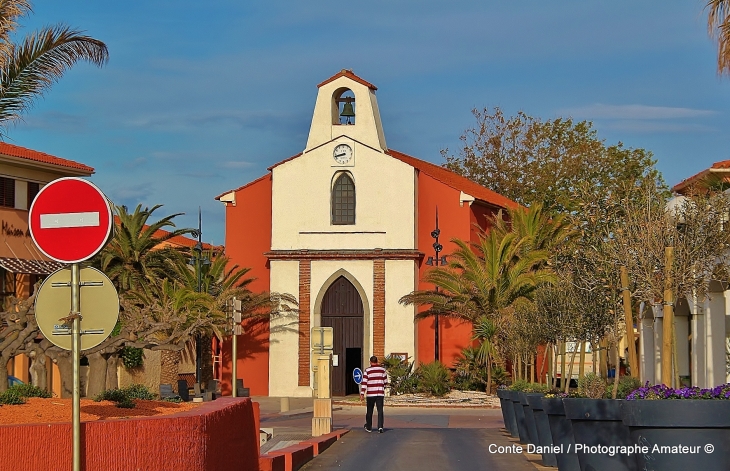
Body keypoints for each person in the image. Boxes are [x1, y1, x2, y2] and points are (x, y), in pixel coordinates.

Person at [360, 355, 388, 433]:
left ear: (370, 362)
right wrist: (383, 388)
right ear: (377, 361)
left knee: (369, 411)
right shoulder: (382, 370)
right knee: (380, 410)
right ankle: (380, 427)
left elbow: (364, 382)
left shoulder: (367, 370)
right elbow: (385, 382)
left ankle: (369, 427)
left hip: (371, 394)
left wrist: (362, 393)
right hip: (380, 393)